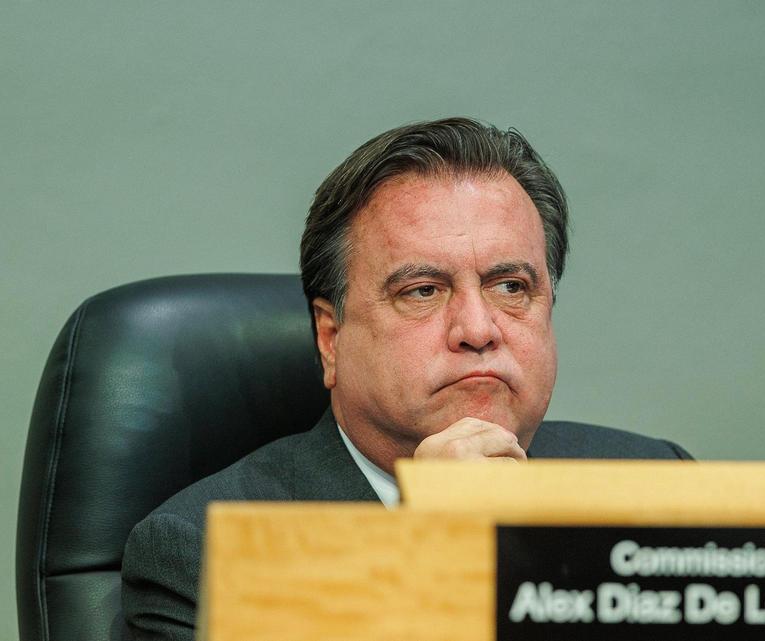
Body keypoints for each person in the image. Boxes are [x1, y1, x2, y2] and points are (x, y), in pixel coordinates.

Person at [120, 117, 692, 639]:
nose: (477, 329)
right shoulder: (205, 558)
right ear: (331, 338)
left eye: (511, 287)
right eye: (422, 291)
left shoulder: (661, 492)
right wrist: (418, 557)